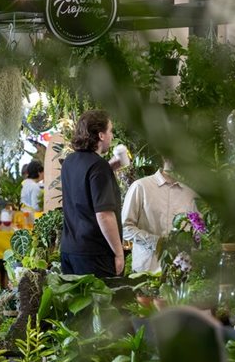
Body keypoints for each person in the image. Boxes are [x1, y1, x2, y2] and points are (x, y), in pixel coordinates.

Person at [59, 109, 124, 277]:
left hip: (69, 250)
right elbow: (104, 215)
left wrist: (108, 169)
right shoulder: (98, 166)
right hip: (94, 253)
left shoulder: (69, 162)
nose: (111, 136)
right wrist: (119, 252)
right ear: (101, 135)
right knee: (102, 303)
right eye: (110, 131)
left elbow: (83, 188)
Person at [121, 159, 198, 273]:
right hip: (147, 270)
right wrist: (156, 242)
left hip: (180, 273)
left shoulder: (190, 194)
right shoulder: (141, 187)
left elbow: (198, 231)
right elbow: (125, 228)